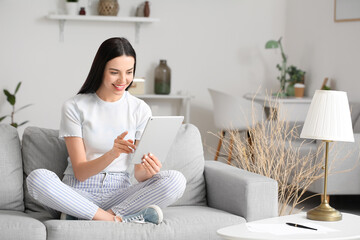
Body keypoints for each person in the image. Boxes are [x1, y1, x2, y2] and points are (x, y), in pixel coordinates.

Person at [26, 37, 186, 224]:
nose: (123, 80)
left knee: (176, 180)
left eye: (129, 72)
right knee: (37, 178)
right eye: (114, 72)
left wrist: (150, 170)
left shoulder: (140, 109)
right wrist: (112, 154)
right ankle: (118, 219)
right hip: (79, 193)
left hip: (119, 194)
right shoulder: (75, 106)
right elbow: (80, 172)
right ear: (100, 69)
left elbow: (139, 175)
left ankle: (88, 216)